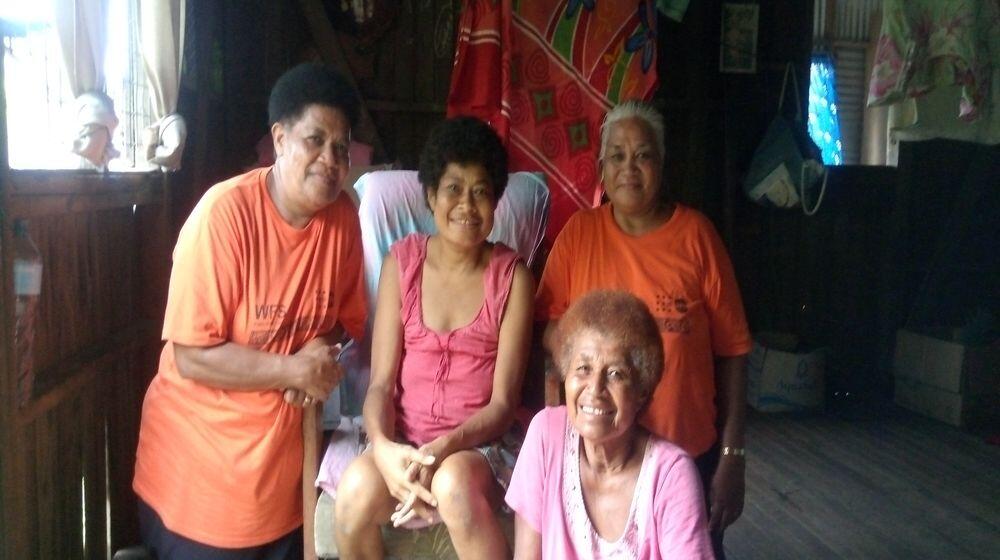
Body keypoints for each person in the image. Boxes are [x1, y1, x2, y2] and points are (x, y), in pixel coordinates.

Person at [132, 62, 368, 559]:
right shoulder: (225, 216)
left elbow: (339, 326)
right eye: (315, 140)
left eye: (341, 148)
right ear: (280, 139)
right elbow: (193, 355)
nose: (329, 158)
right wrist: (292, 368)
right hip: (200, 484)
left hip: (282, 486)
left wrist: (317, 350)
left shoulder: (344, 218)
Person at [535, 100, 752, 558]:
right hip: (599, 460)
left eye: (643, 155)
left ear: (662, 163)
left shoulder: (697, 237)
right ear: (600, 167)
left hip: (688, 454)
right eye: (617, 155)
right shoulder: (579, 235)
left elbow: (733, 350)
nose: (629, 168)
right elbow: (548, 328)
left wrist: (733, 457)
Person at [332, 116, 534, 559]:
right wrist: (384, 449)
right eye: (453, 189)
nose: (467, 204)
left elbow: (502, 405)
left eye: (481, 191)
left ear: (497, 200)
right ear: (430, 196)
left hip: (480, 448)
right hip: (404, 440)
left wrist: (443, 449)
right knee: (353, 494)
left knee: (452, 485)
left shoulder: (513, 278)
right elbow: (381, 384)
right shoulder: (400, 264)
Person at [507, 290, 713, 559]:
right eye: (583, 368)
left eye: (616, 374)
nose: (595, 389)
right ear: (565, 376)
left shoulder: (670, 475)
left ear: (642, 392)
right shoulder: (546, 434)